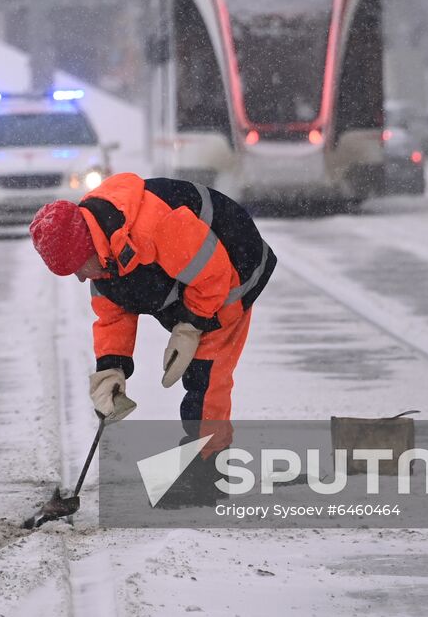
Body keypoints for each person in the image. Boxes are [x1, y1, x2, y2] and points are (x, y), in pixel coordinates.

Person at [29, 172, 276, 464]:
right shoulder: (102, 254)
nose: (81, 279)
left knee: (205, 375)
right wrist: (112, 368)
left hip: (234, 267)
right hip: (187, 279)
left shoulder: (155, 224)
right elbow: (112, 316)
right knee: (198, 368)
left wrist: (189, 327)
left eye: (79, 268)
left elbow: (214, 276)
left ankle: (208, 468)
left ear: (88, 248)